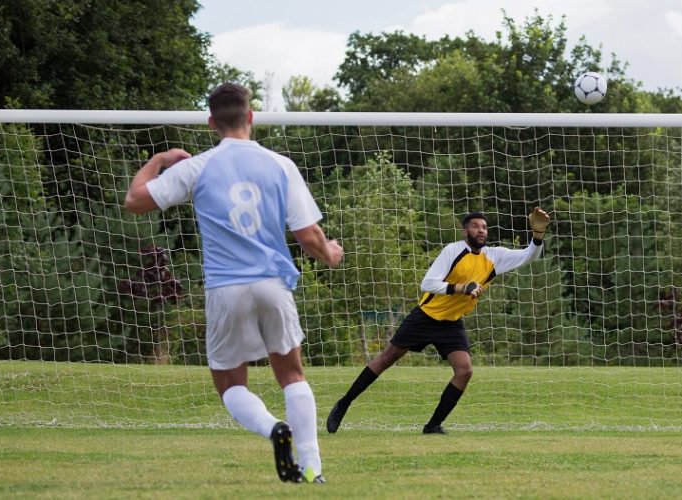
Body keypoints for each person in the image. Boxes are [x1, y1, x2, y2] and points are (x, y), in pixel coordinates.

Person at [124, 83, 344, 483]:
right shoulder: (280, 164)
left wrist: (159, 159)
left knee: (229, 384)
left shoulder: (199, 166)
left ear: (211, 122)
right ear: (251, 116)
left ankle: (272, 429)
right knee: (292, 375)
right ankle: (313, 469)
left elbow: (135, 200)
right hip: (273, 283)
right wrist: (330, 254)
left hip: (226, 288)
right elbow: (308, 234)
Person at [327, 209, 551, 434]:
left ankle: (433, 425)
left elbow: (529, 255)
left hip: (451, 323)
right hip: (425, 316)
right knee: (387, 358)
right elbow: (428, 283)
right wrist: (462, 288)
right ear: (465, 231)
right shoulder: (453, 250)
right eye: (475, 226)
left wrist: (538, 234)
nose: (481, 230)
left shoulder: (494, 256)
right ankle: (343, 404)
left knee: (464, 371)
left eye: (484, 227)